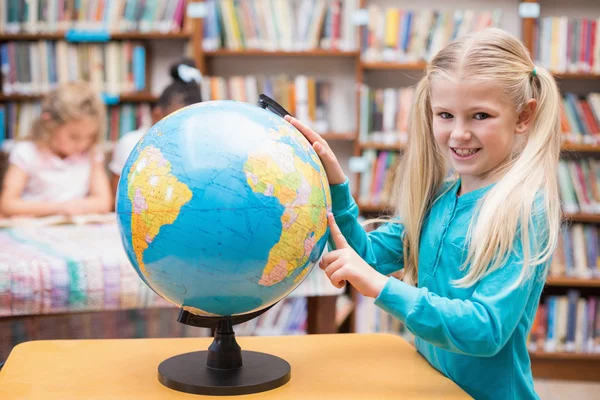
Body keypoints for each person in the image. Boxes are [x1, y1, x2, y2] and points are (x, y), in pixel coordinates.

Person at [287, 28, 560, 400]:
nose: (458, 134)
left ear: (524, 116)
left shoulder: (525, 210)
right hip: (434, 388)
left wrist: (382, 288)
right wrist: (335, 180)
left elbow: (486, 330)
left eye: (480, 115)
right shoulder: (439, 198)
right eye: (445, 115)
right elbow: (366, 257)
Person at [0, 81, 113, 218]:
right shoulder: (27, 152)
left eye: (90, 137)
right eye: (74, 137)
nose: (83, 144)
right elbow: (7, 204)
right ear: (49, 124)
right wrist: (61, 208)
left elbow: (104, 202)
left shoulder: (91, 154)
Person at [109, 58, 202, 193]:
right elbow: (117, 196)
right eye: (175, 124)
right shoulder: (130, 144)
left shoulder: (198, 147)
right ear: (156, 114)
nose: (181, 132)